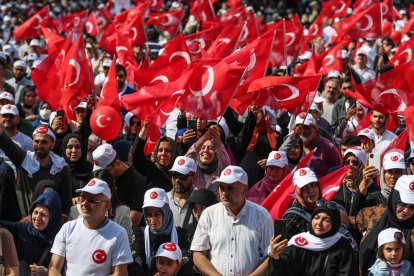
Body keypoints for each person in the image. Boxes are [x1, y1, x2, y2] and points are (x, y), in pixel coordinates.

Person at [191, 165, 273, 275]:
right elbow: (198, 255)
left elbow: (270, 255)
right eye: (222, 187)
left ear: (245, 190)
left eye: (231, 188)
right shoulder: (209, 214)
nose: (224, 193)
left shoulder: (262, 215)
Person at [49, 178, 132, 275]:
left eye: (92, 200)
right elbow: (54, 268)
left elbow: (119, 273)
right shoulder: (68, 228)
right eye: (83, 198)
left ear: (107, 206)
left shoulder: (118, 234)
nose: (84, 203)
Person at [267, 202, 357, 275]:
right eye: (316, 218)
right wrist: (275, 256)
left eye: (327, 220)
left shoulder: (342, 245)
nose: (319, 223)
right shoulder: (299, 242)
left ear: (335, 224)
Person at [0, 124, 72, 216]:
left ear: (52, 144)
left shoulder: (61, 167)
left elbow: (66, 201)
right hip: (23, 222)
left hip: (50, 222)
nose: (39, 145)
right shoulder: (24, 159)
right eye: (36, 141)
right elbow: (6, 143)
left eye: (44, 142)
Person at [358, 175, 414, 275]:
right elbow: (357, 217)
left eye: (412, 207)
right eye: (402, 203)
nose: (406, 210)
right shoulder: (376, 214)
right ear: (394, 198)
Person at [0, 190, 62, 275]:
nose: (37, 218)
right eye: (35, 212)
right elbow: (2, 224)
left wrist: (48, 273)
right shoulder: (22, 228)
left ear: (53, 218)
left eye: (43, 215)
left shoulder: (61, 238)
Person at [133, 188, 191, 275]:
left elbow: (186, 262)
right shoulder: (140, 235)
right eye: (149, 215)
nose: (153, 220)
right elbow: (135, 262)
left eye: (157, 214)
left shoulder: (180, 234)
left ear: (166, 212)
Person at [93, 143, 146, 228]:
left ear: (117, 163)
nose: (102, 175)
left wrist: (109, 230)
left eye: (107, 171)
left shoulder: (137, 182)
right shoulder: (103, 178)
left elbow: (134, 220)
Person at [281, 112, 341, 178]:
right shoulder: (292, 143)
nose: (302, 131)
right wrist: (292, 137)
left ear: (315, 128)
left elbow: (338, 173)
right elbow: (278, 156)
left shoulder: (329, 147)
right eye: (299, 128)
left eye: (306, 127)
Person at [133, 122, 178, 191]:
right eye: (160, 150)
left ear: (174, 153)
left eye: (167, 150)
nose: (163, 153)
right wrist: (145, 128)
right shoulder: (149, 168)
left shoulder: (178, 174)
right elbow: (136, 152)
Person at [185, 124, 231, 190]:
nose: (205, 151)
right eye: (202, 148)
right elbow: (186, 159)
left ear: (216, 153)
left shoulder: (221, 171)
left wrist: (218, 142)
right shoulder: (193, 170)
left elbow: (225, 162)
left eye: (211, 148)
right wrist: (204, 138)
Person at [167, 156, 197, 227]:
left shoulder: (201, 202)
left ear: (194, 178)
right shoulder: (163, 200)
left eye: (182, 176)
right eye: (174, 175)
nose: (177, 180)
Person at [62, 133, 93, 197]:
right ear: (64, 149)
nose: (74, 150)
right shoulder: (58, 169)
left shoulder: (91, 169)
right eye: (69, 147)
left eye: (77, 147)